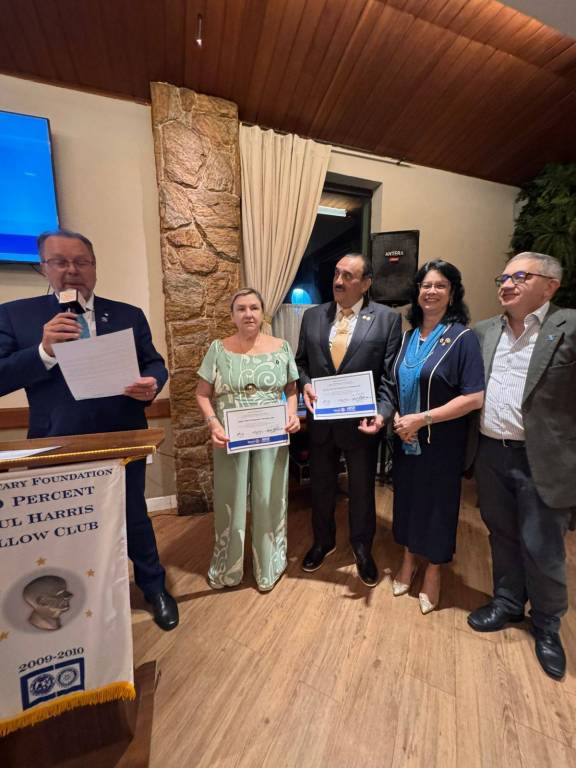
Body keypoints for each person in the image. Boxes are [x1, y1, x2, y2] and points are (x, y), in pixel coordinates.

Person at [0, 229, 178, 631]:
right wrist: (43, 351)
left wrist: (152, 383)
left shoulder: (128, 314)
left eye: (81, 262)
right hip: (55, 444)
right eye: (60, 262)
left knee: (134, 516)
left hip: (122, 438)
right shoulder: (16, 315)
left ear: (94, 268)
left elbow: (154, 363)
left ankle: (154, 588)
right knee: (65, 526)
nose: (72, 270)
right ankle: (78, 601)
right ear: (44, 268)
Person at [467, 252, 576, 681]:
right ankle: (508, 603)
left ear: (550, 285)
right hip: (491, 453)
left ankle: (547, 626)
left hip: (542, 459)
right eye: (504, 277)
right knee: (502, 534)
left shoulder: (569, 327)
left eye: (519, 276)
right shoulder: (484, 331)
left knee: (543, 546)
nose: (507, 284)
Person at [295, 253, 402, 587]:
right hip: (322, 423)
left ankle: (362, 547)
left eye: (348, 276)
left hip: (362, 425)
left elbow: (390, 377)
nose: (338, 281)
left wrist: (383, 414)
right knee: (321, 487)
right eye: (336, 274)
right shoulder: (313, 316)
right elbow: (300, 363)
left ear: (366, 283)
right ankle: (322, 541)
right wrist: (305, 384)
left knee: (361, 491)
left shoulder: (387, 320)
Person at [391, 261, 484, 613]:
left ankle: (433, 569)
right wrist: (399, 417)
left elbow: (474, 397)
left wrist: (422, 418)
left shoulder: (462, 338)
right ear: (417, 292)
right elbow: (394, 384)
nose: (431, 291)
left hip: (440, 442)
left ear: (452, 293)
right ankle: (408, 560)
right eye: (425, 285)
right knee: (407, 501)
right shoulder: (407, 338)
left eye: (440, 285)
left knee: (437, 507)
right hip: (406, 439)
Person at [196, 288, 300, 591]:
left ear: (262, 313)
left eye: (254, 307)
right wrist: (213, 423)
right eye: (241, 308)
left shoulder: (282, 347)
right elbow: (202, 394)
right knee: (231, 502)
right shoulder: (218, 349)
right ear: (232, 316)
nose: (248, 314)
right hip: (230, 438)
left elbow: (291, 390)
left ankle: (269, 565)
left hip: (272, 436)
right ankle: (227, 568)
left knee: (269, 499)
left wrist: (292, 415)